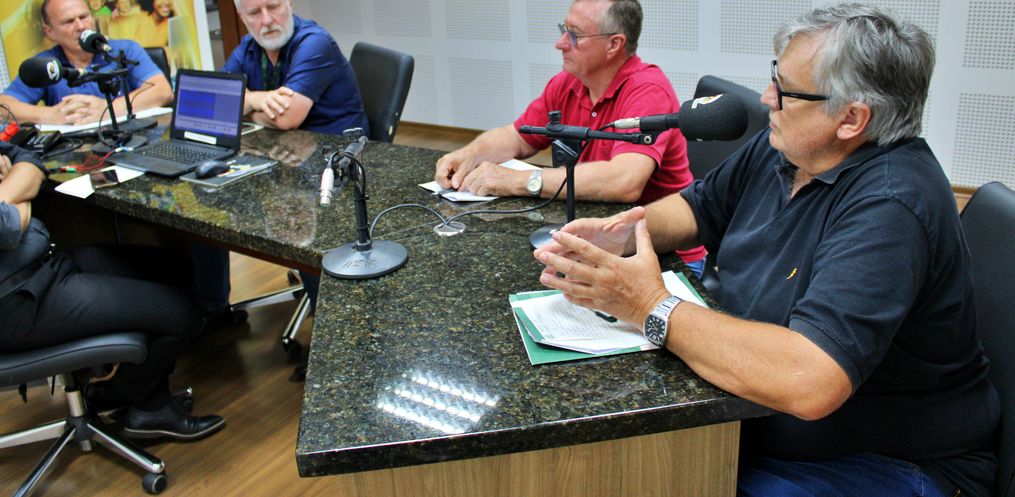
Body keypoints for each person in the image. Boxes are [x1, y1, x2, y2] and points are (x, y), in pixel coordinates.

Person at [534, 4, 999, 497]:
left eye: (786, 90)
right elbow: (698, 208)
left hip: (881, 463)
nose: (766, 97)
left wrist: (648, 305)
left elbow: (810, 379)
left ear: (851, 118)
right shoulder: (793, 146)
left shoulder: (891, 204)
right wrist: (624, 233)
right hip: (763, 420)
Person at [434, 0, 704, 272]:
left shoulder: (648, 90)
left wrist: (517, 181)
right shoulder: (570, 81)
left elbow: (625, 181)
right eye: (564, 30)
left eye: (575, 34)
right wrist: (469, 154)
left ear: (614, 44)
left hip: (666, 256)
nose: (561, 43)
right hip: (598, 237)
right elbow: (517, 136)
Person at [0, 142, 224, 440]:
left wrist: (9, 192)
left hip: (44, 266)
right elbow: (8, 225)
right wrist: (16, 187)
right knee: (183, 314)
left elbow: (26, 158)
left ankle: (124, 391)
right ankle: (149, 408)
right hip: (18, 301)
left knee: (172, 266)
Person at [0, 0, 172, 126]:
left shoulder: (125, 49)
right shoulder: (47, 64)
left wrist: (107, 109)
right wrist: (49, 115)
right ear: (50, 31)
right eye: (68, 21)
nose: (81, 26)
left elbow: (163, 91)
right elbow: (3, 106)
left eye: (84, 17)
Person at [222, 0, 369, 135]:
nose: (267, 20)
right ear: (242, 17)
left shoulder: (315, 43)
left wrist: (242, 111)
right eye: (255, 12)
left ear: (289, 3)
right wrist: (254, 99)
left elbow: (285, 118)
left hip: (337, 147)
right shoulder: (248, 46)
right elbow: (216, 101)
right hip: (284, 143)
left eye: (273, 7)